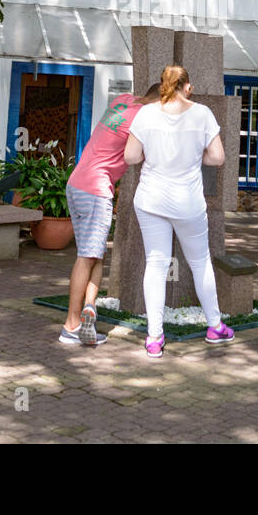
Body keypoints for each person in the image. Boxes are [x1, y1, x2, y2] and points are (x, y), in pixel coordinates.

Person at [124, 66, 232, 359]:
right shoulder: (202, 114)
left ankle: (154, 337)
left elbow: (131, 156)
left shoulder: (145, 114)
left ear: (163, 85)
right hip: (187, 201)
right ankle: (215, 326)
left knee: (156, 264)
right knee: (200, 262)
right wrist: (196, 157)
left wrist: (153, 155)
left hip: (150, 198)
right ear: (188, 87)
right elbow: (219, 157)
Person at [52, 82, 161, 347]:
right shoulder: (143, 118)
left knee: (95, 254)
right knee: (87, 256)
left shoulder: (123, 100)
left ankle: (90, 310)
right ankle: (71, 325)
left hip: (77, 183)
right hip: (96, 189)